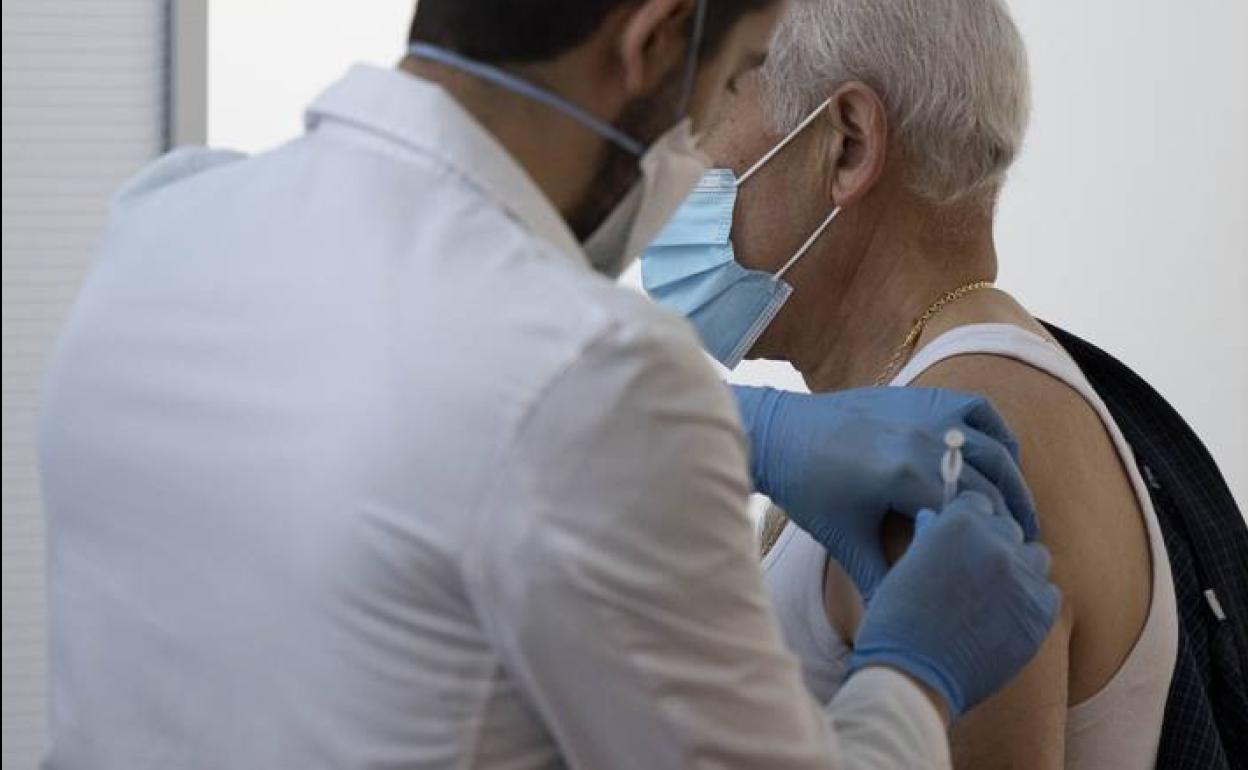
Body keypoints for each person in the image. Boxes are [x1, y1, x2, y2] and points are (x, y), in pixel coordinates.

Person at [38, 1, 1059, 768]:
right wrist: (915, 667)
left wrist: (730, 425)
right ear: (656, 38)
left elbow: (401, 405)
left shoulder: (164, 218)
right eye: (741, 69)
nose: (706, 142)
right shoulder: (592, 377)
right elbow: (523, 402)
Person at [641, 0, 1178, 768]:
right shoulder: (911, 405)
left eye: (705, 110)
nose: (663, 162)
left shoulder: (967, 443)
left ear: (849, 145)